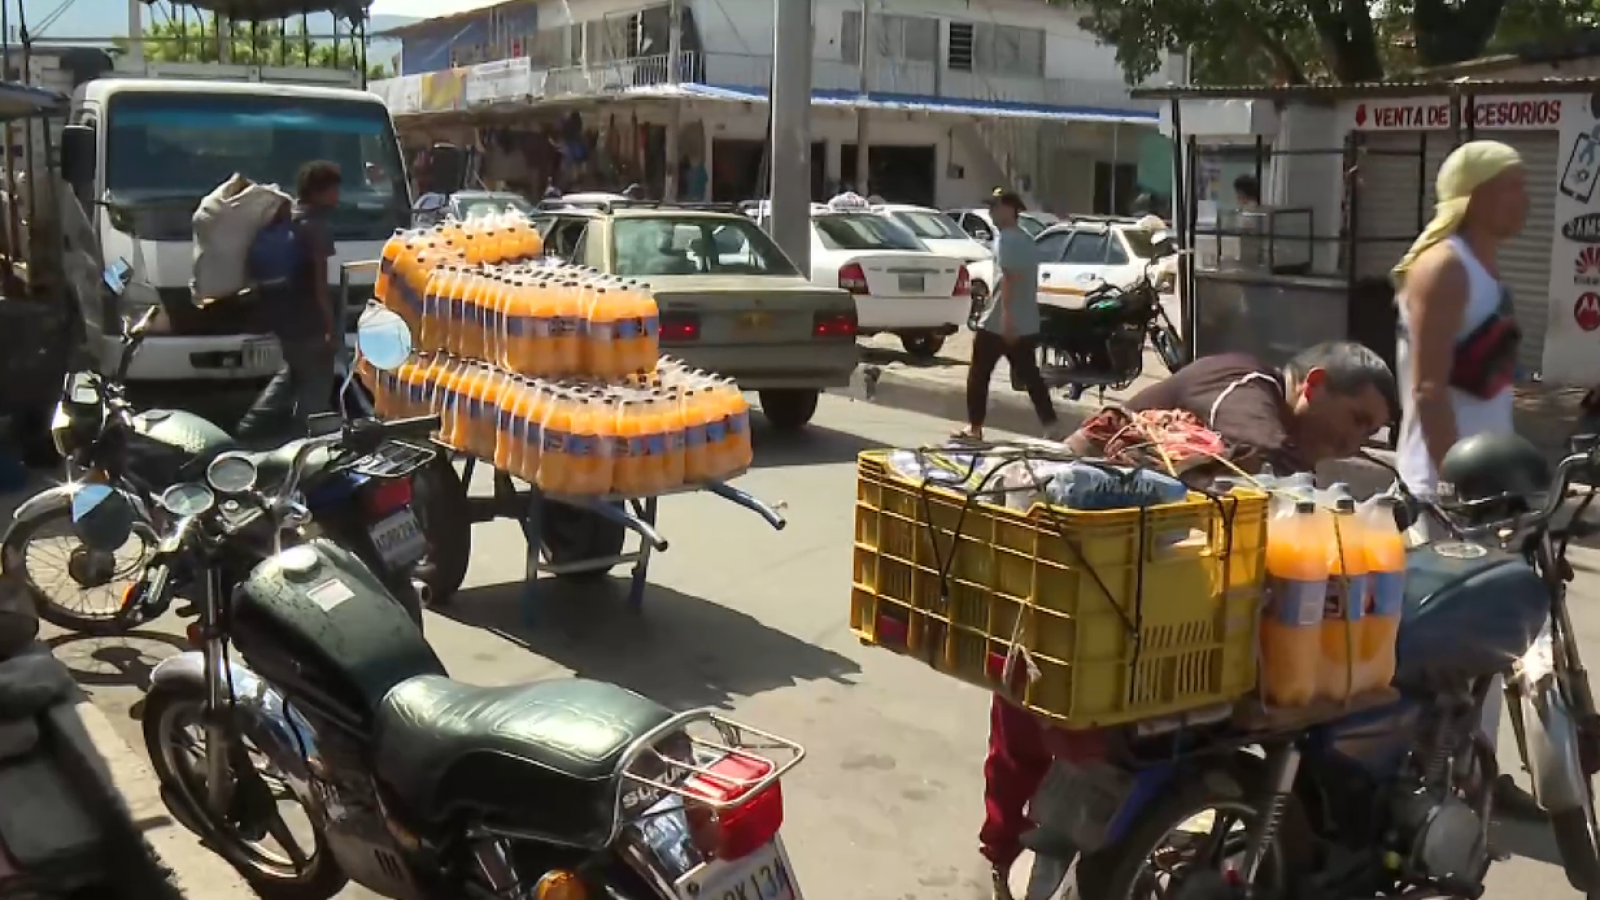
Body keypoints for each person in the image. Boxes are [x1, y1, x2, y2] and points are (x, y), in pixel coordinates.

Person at [982, 341, 1397, 899]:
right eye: (1357, 418)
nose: (1357, 440)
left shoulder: (1274, 415)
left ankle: (1012, 855)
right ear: (1314, 383)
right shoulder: (1247, 390)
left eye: (1372, 432)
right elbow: (1263, 464)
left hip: (1107, 581)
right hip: (1078, 568)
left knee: (1038, 721)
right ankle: (1005, 857)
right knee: (1040, 728)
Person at [1390, 139, 1533, 815]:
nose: (1524, 199)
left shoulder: (1485, 267)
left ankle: (1478, 774)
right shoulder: (1444, 268)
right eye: (1511, 186)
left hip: (1489, 483)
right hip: (1446, 487)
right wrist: (1456, 485)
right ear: (1472, 195)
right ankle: (1431, 777)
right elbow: (1427, 391)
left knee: (1493, 638)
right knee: (1449, 642)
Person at [236, 161, 342, 442]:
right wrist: (330, 325)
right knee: (317, 386)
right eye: (334, 190)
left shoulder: (288, 217)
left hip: (284, 317)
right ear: (321, 192)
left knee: (293, 372)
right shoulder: (316, 227)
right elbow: (320, 284)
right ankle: (309, 444)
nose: (337, 197)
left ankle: (249, 426)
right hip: (310, 321)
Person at [956, 188, 1062, 442]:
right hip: (1025, 321)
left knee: (979, 373)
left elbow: (1010, 279)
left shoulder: (1007, 239)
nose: (991, 212)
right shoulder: (1025, 238)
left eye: (995, 207)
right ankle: (1051, 425)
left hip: (999, 321)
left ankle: (974, 428)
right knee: (1030, 375)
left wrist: (1006, 318)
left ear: (1009, 209)